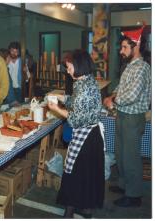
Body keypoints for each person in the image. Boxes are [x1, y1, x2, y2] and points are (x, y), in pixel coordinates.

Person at [48, 49, 104, 218]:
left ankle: (70, 211)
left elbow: (75, 119)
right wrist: (62, 98)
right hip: (92, 135)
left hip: (86, 136)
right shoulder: (85, 81)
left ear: (78, 65)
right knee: (87, 175)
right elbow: (76, 101)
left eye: (69, 66)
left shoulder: (84, 86)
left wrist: (56, 108)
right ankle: (86, 209)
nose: (67, 70)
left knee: (75, 174)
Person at [103, 25, 151, 208]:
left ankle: (134, 195)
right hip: (123, 116)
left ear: (136, 46)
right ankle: (124, 185)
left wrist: (112, 102)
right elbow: (120, 89)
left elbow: (132, 95)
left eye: (124, 47)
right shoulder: (130, 66)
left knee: (131, 157)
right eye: (121, 47)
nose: (121, 51)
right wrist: (111, 96)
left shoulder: (141, 68)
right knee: (121, 154)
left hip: (132, 118)